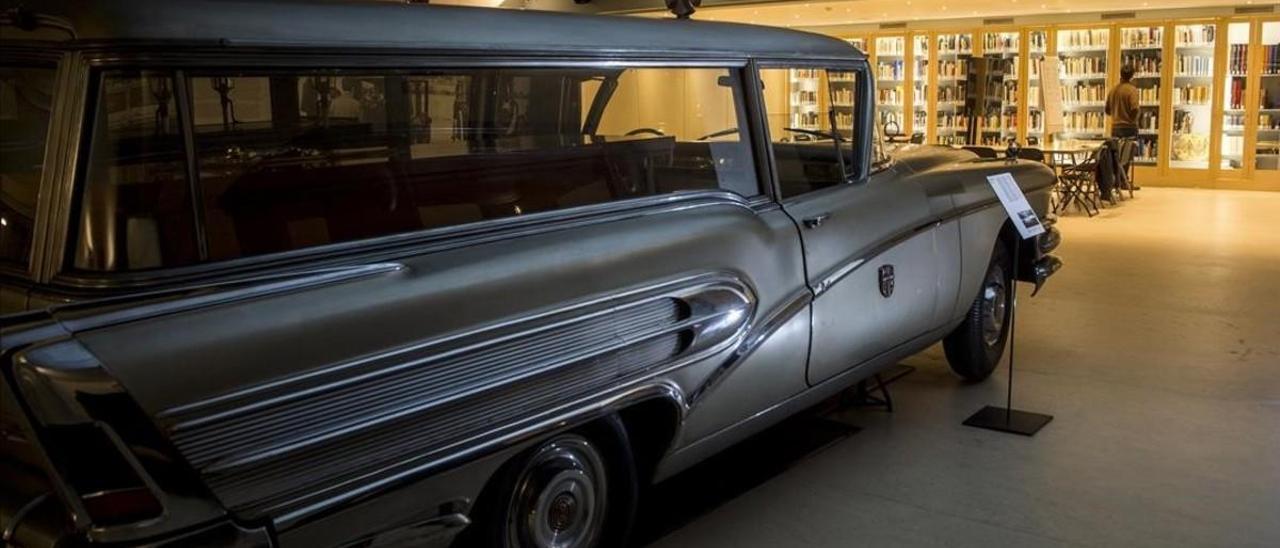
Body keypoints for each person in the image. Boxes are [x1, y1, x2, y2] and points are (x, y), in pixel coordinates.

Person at [1106, 65, 1140, 139]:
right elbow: (1135, 109)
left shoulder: (1113, 90)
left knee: (1116, 150)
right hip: (1129, 128)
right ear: (1132, 77)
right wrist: (1130, 119)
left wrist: (1117, 114)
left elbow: (1107, 111)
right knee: (1129, 150)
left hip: (1115, 127)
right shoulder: (1132, 90)